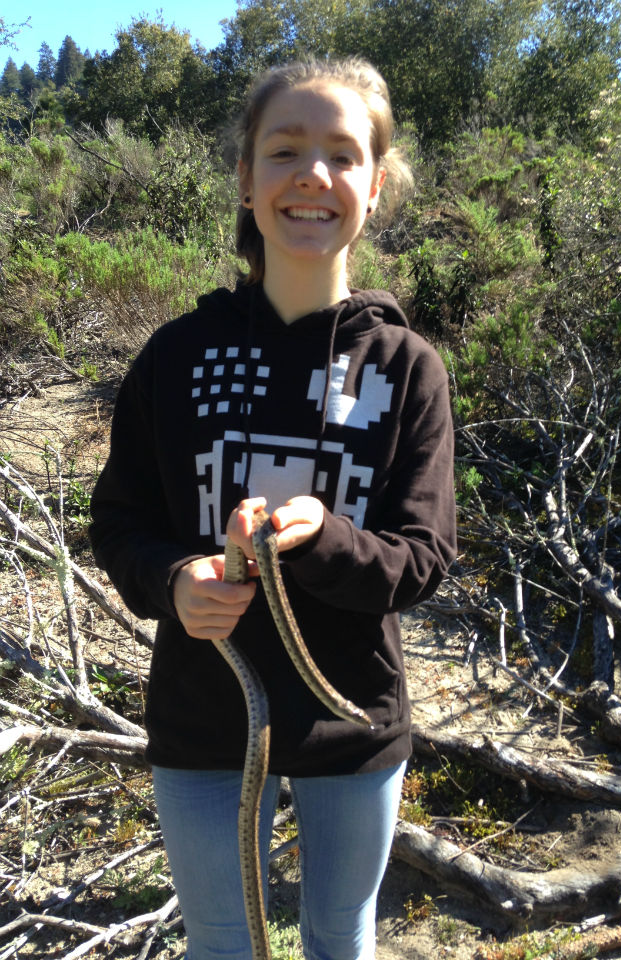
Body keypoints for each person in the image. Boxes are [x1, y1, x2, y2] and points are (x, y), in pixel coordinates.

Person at [90, 56, 457, 960]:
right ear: (248, 181)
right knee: (223, 943)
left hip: (351, 716)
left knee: (340, 936)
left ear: (376, 185)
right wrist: (173, 581)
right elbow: (119, 522)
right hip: (203, 713)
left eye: (342, 153)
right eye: (285, 149)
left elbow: (424, 555)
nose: (313, 176)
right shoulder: (177, 358)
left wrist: (326, 543)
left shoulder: (407, 369)